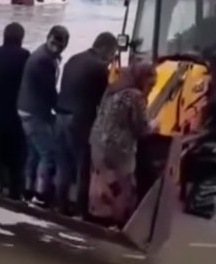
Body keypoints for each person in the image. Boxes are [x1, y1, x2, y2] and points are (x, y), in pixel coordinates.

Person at [55, 32, 118, 216]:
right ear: (107, 49)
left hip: (60, 116)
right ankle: (81, 211)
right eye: (113, 52)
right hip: (79, 121)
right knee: (83, 167)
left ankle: (60, 206)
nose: (112, 57)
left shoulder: (73, 59)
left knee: (63, 165)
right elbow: (104, 101)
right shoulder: (99, 67)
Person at [88, 62, 157, 228]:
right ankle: (118, 224)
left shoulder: (113, 89)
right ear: (142, 78)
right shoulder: (135, 96)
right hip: (119, 150)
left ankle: (96, 219)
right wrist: (155, 124)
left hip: (97, 143)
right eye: (151, 83)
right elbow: (142, 129)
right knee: (122, 187)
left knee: (101, 181)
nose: (151, 87)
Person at [17, 25, 70, 206]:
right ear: (48, 38)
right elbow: (49, 91)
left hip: (25, 109)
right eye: (54, 42)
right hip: (33, 113)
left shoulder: (44, 55)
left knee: (34, 153)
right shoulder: (44, 60)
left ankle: (27, 191)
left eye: (60, 44)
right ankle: (39, 196)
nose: (56, 46)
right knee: (48, 153)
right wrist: (62, 109)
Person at [0, 22, 30, 199]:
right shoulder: (25, 56)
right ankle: (14, 193)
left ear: (4, 37)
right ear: (21, 39)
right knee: (17, 156)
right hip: (14, 113)